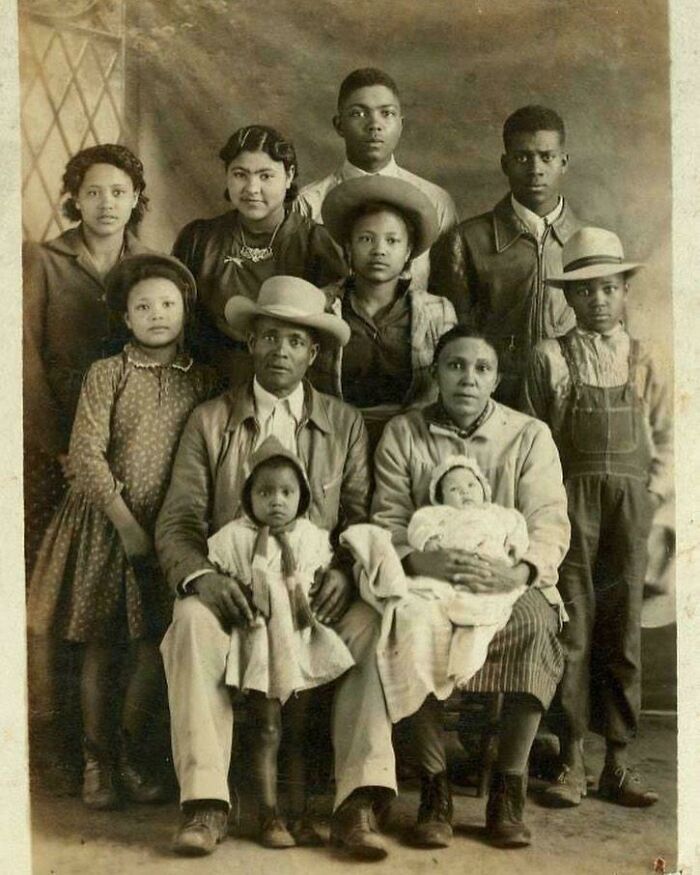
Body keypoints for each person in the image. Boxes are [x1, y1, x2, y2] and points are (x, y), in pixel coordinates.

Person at [156, 276, 396, 861]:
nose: (280, 351)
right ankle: (206, 803)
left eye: (294, 341)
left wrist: (345, 570)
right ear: (250, 344)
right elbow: (178, 521)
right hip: (237, 592)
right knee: (190, 622)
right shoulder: (211, 420)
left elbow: (361, 515)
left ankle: (356, 801)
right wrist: (206, 579)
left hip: (316, 596)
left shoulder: (342, 423)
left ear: (314, 353)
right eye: (268, 337)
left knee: (376, 622)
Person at [26, 253, 218, 811]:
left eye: (168, 304)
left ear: (185, 310)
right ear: (125, 317)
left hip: (169, 532)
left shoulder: (201, 379)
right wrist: (128, 527)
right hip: (107, 526)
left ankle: (133, 754)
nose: (157, 315)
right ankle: (97, 761)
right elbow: (86, 455)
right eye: (143, 306)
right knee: (101, 645)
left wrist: (171, 532)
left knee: (151, 646)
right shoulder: (108, 373)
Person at [371, 324, 570, 849]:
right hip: (429, 578)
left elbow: (549, 521)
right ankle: (435, 788)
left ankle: (508, 788)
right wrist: (422, 559)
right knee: (407, 624)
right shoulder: (404, 432)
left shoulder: (529, 435)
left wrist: (518, 572)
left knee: (536, 624)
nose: (468, 378)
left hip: (507, 579)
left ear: (497, 379)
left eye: (482, 368)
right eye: (455, 366)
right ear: (435, 372)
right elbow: (387, 517)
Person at [523, 227, 673, 809]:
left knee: (622, 628)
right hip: (569, 505)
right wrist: (547, 505)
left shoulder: (645, 357)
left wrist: (652, 495)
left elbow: (670, 434)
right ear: (568, 297)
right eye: (584, 291)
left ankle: (618, 761)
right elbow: (533, 438)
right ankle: (571, 760)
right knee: (573, 627)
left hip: (630, 508)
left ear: (625, 291)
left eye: (608, 288)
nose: (598, 301)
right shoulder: (549, 356)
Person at [205, 437, 355, 847]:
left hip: (299, 645)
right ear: (248, 496)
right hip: (260, 646)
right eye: (265, 492)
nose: (276, 501)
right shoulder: (236, 537)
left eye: (287, 492)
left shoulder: (310, 537)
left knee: (299, 731)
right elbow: (217, 574)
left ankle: (299, 815)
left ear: (302, 496)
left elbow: (323, 575)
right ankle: (268, 814)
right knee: (267, 728)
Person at [23, 143, 152, 574]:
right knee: (48, 563)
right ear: (76, 198)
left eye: (118, 192)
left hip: (129, 441)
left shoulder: (152, 265)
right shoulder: (42, 261)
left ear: (135, 198)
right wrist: (62, 447)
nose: (106, 204)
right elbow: (25, 364)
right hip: (54, 441)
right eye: (93, 192)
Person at [430, 105, 584, 408]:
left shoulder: (588, 240)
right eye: (522, 157)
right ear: (505, 163)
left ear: (563, 162)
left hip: (571, 402)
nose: (535, 169)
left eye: (547, 157)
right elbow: (450, 337)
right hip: (494, 401)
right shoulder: (466, 240)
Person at [172, 125, 346, 384]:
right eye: (240, 174)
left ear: (289, 176)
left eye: (266, 176)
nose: (252, 188)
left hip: (290, 383)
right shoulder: (199, 239)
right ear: (227, 175)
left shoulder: (316, 243)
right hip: (207, 380)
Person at [311, 174, 456, 445]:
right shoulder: (320, 305)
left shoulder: (438, 312)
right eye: (366, 239)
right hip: (333, 436)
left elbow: (446, 389)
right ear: (348, 248)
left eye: (392, 241)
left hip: (414, 438)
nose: (379, 250)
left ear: (408, 251)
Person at [296, 67, 458, 291]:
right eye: (358, 113)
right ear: (339, 125)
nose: (374, 124)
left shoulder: (435, 201)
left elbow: (450, 289)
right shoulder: (308, 203)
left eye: (387, 113)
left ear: (401, 124)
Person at [407, 455, 530, 687]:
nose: (465, 491)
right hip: (450, 570)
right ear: (441, 499)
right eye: (454, 489)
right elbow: (418, 526)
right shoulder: (439, 514)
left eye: (472, 485)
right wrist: (428, 542)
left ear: (484, 490)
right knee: (427, 599)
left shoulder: (497, 513)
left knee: (486, 614)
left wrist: (515, 548)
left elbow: (518, 527)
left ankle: (464, 665)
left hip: (490, 570)